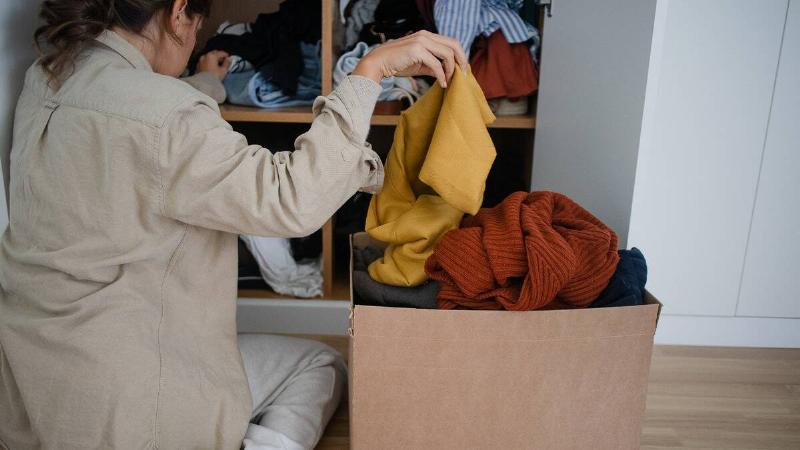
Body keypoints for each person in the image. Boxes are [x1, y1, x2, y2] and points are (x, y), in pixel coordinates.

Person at [0, 0, 467, 449]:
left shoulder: (47, 78)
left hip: (37, 392)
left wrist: (205, 80)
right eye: (196, 29)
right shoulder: (165, 116)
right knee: (320, 365)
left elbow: (145, 125)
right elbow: (292, 200)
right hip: (134, 411)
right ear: (180, 11)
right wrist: (370, 71)